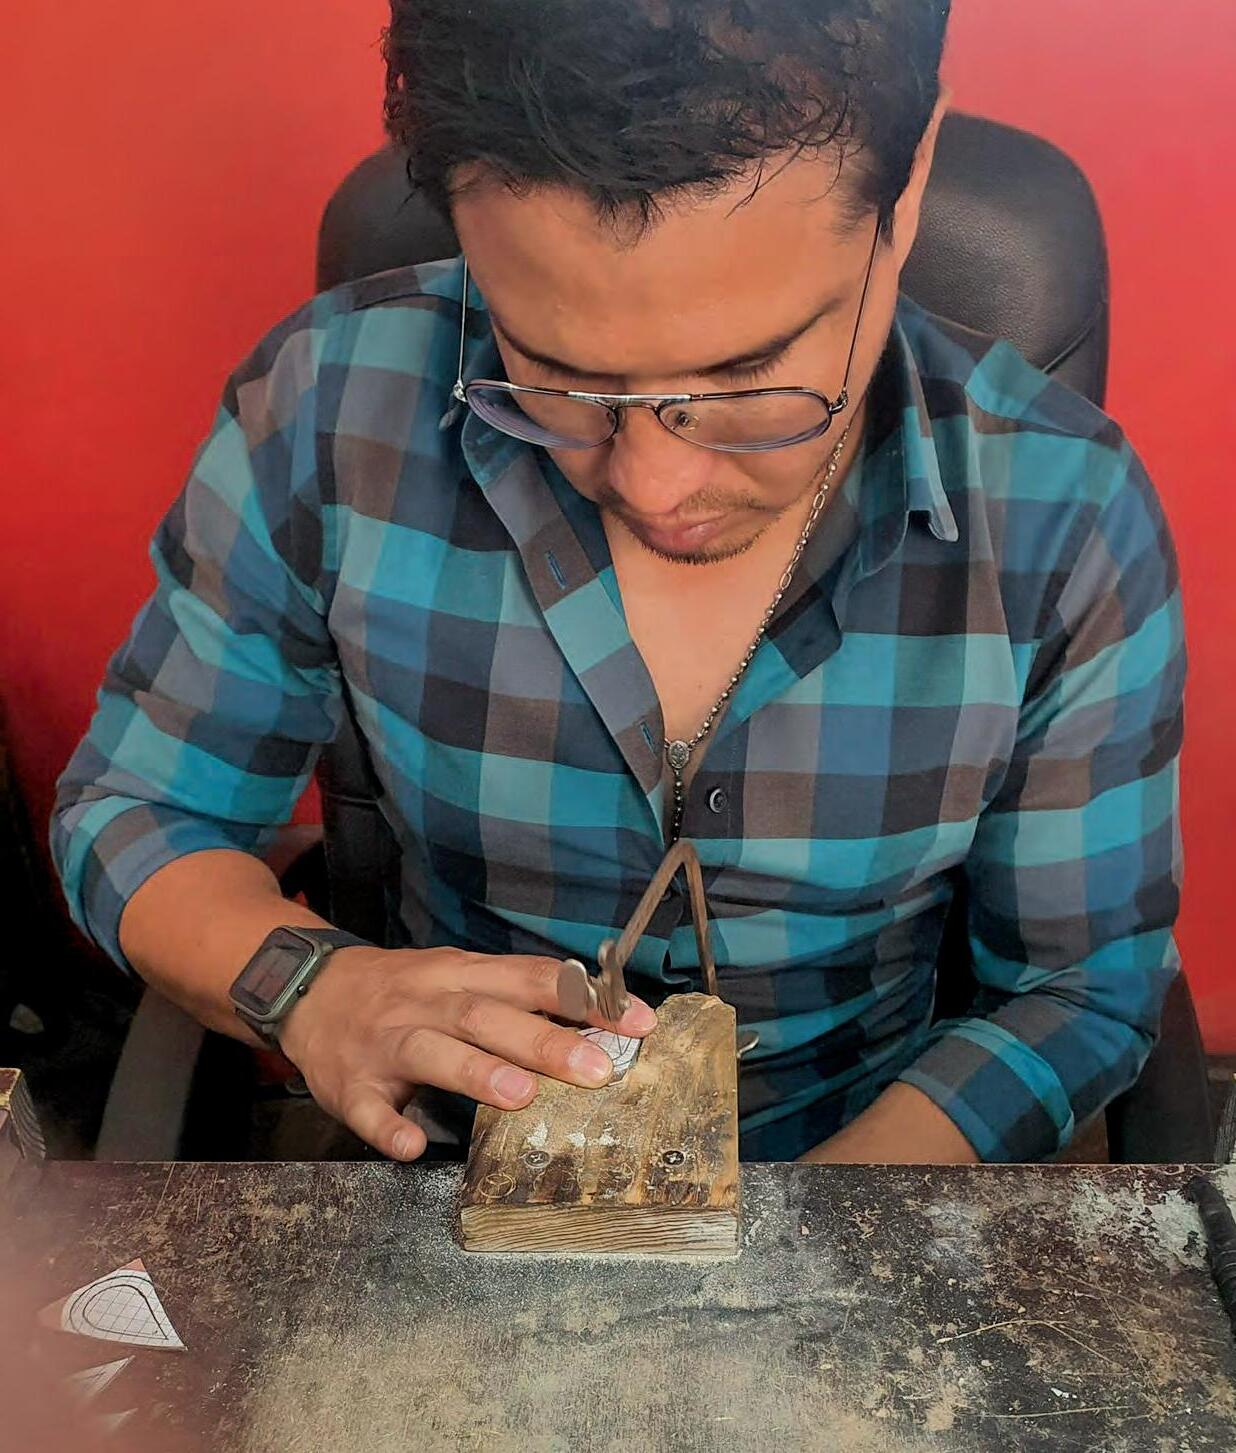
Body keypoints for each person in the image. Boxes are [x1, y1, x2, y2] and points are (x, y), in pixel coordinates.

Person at [52, 0, 1184, 1165]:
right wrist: (311, 987)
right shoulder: (330, 412)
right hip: (449, 1173)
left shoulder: (1063, 513)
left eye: (749, 375)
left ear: (904, 194)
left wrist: (826, 1229)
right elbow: (133, 813)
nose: (653, 482)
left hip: (860, 1164)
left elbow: (1077, 991)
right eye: (553, 373)